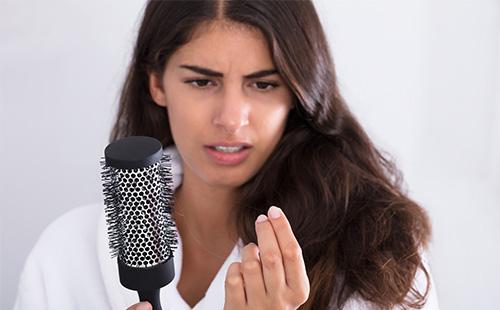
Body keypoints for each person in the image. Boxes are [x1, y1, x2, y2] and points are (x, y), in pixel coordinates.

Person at [13, 0, 440, 309]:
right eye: (202, 82)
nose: (232, 119)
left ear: (299, 93)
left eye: (263, 84)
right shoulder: (66, 255)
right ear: (157, 84)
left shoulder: (373, 254)